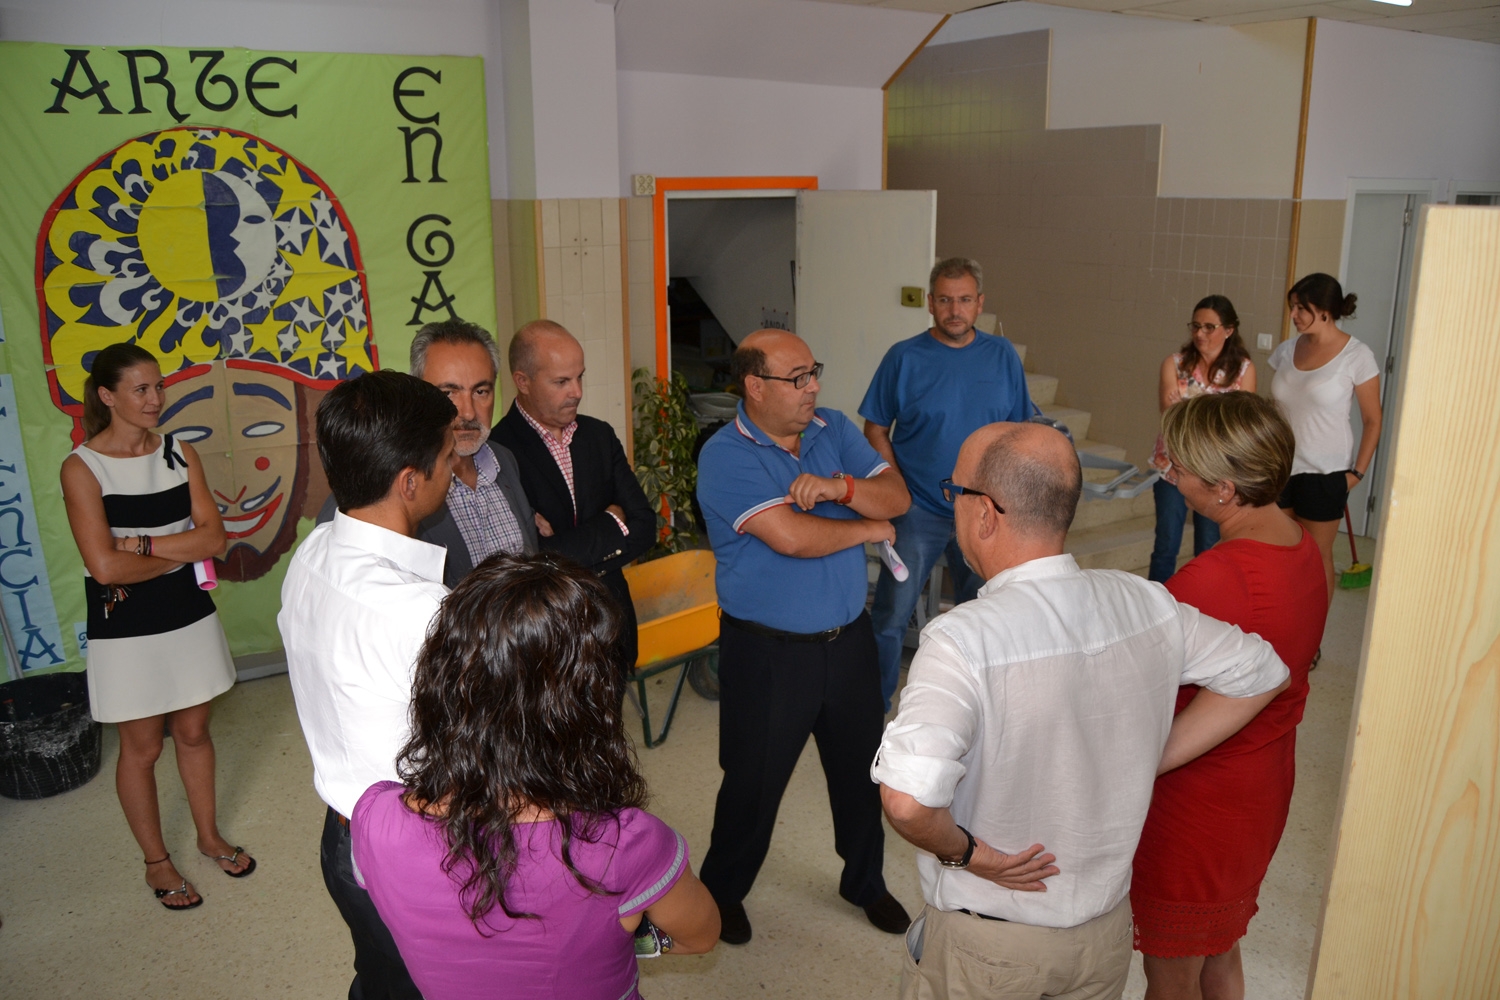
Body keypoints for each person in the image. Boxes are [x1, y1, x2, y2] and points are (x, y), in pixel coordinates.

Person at [873, 421, 1291, 1000]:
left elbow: (907, 800)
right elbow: (1262, 670)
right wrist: (1152, 755)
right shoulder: (1145, 601)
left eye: (955, 492)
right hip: (1103, 937)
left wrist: (970, 854)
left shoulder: (963, 640)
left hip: (991, 947)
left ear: (985, 514)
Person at [351, 553, 721, 999]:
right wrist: (630, 937)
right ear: (583, 708)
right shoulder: (626, 845)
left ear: (440, 683)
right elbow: (700, 937)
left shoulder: (374, 818)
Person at [695, 329, 915, 945]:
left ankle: (864, 882)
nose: (812, 387)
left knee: (861, 774)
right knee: (753, 782)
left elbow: (896, 497)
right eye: (796, 379)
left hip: (848, 643)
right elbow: (791, 537)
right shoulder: (726, 455)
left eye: (813, 372)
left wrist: (843, 488)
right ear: (754, 386)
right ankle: (722, 893)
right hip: (768, 653)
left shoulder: (832, 427)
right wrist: (865, 528)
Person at [1132, 392, 1327, 1000]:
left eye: (1179, 466)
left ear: (1223, 489)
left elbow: (1136, 682)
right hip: (1261, 783)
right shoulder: (1298, 543)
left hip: (1199, 800)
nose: (1169, 474)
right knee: (1219, 949)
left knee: (1171, 976)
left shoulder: (1214, 579)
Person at [278, 370, 457, 999]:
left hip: (343, 836)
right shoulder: (423, 614)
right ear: (409, 481)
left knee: (382, 978)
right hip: (413, 854)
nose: (453, 472)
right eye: (447, 459)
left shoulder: (314, 550)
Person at [59, 342, 254, 911]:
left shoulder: (179, 453)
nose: (155, 398)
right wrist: (176, 552)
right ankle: (156, 863)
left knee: (194, 732)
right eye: (141, 389)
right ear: (107, 396)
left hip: (187, 611)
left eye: (159, 386)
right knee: (141, 749)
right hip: (125, 624)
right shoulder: (82, 468)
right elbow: (104, 567)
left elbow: (214, 538)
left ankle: (209, 837)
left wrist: (142, 546)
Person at [860, 257, 1032, 710]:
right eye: (945, 300)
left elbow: (1019, 431)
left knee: (986, 614)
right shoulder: (904, 358)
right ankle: (872, 709)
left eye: (964, 300)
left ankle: (980, 707)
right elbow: (875, 428)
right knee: (891, 616)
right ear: (930, 303)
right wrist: (894, 484)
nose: (955, 310)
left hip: (983, 509)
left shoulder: (1002, 356)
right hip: (918, 509)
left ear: (980, 303)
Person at [314, 318, 539, 585]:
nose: (468, 412)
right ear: (418, 393)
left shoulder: (504, 460)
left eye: (480, 391)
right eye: (449, 393)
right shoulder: (378, 484)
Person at [493, 320, 655, 670]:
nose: (577, 392)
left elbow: (645, 526)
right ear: (523, 381)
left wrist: (563, 549)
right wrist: (612, 523)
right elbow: (528, 560)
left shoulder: (598, 436)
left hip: (612, 631)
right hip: (547, 642)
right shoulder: (498, 452)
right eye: (562, 382)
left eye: (580, 377)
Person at [1269, 272, 1383, 599]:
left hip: (1325, 473)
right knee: (1282, 554)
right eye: (1292, 307)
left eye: (1300, 308)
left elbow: (1373, 420)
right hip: (1281, 468)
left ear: (1325, 311)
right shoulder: (1286, 351)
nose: (1293, 315)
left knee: (1316, 559)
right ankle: (1284, 622)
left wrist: (1356, 474)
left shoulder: (1357, 356)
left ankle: (1313, 628)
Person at [1147, 294, 1255, 582]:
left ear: (1229, 330)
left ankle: (1203, 602)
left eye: (1209, 327)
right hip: (1172, 469)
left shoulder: (1243, 369)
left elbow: (1241, 427)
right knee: (1166, 545)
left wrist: (1186, 405)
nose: (1200, 334)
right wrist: (1213, 413)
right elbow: (1169, 417)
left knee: (1209, 547)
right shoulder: (1175, 363)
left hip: (1216, 474)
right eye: (1195, 326)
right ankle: (1155, 602)